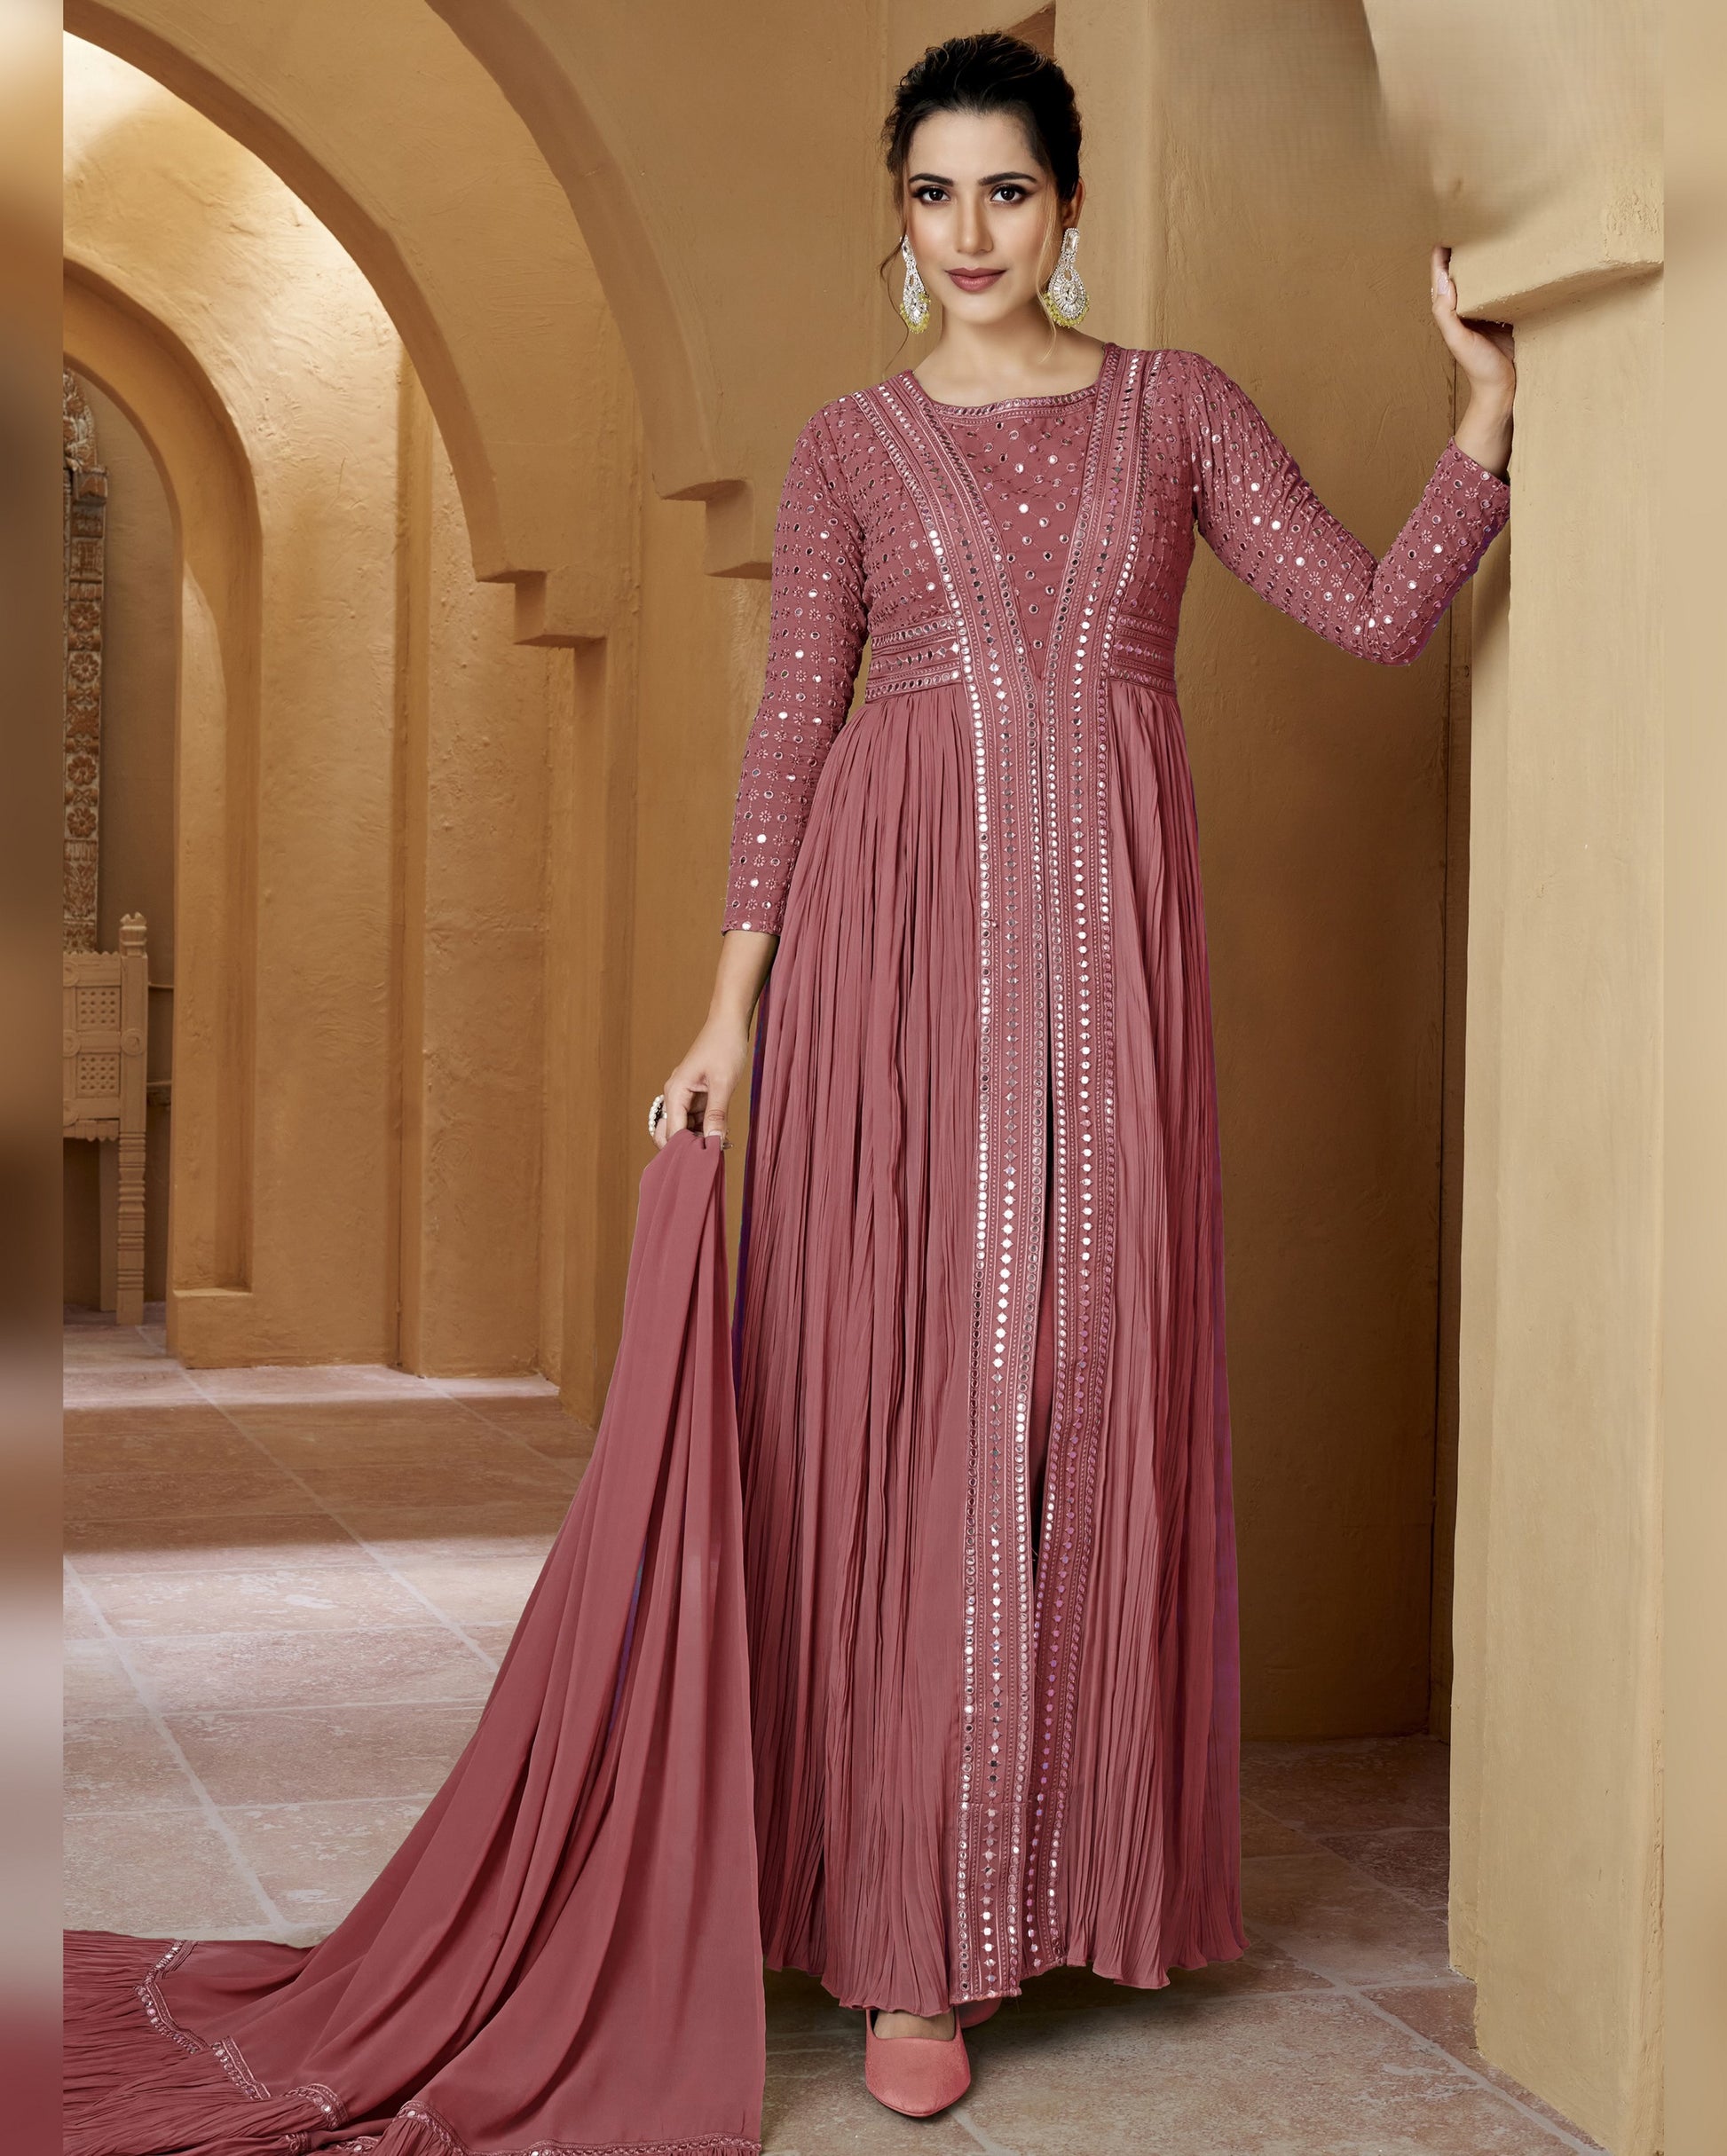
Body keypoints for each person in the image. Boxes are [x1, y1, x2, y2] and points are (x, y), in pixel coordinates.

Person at [651, 30, 1514, 2120]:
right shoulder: (851, 448)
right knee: (917, 1392)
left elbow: (1380, 618)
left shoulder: (1172, 410)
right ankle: (902, 1944)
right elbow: (789, 737)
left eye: (1006, 192)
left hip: (1111, 972)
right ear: (900, 215)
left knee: (1076, 1375)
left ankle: (1055, 1877)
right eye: (933, 195)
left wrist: (1488, 415)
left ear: (1069, 206)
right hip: (887, 963)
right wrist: (729, 1012)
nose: (968, 234)